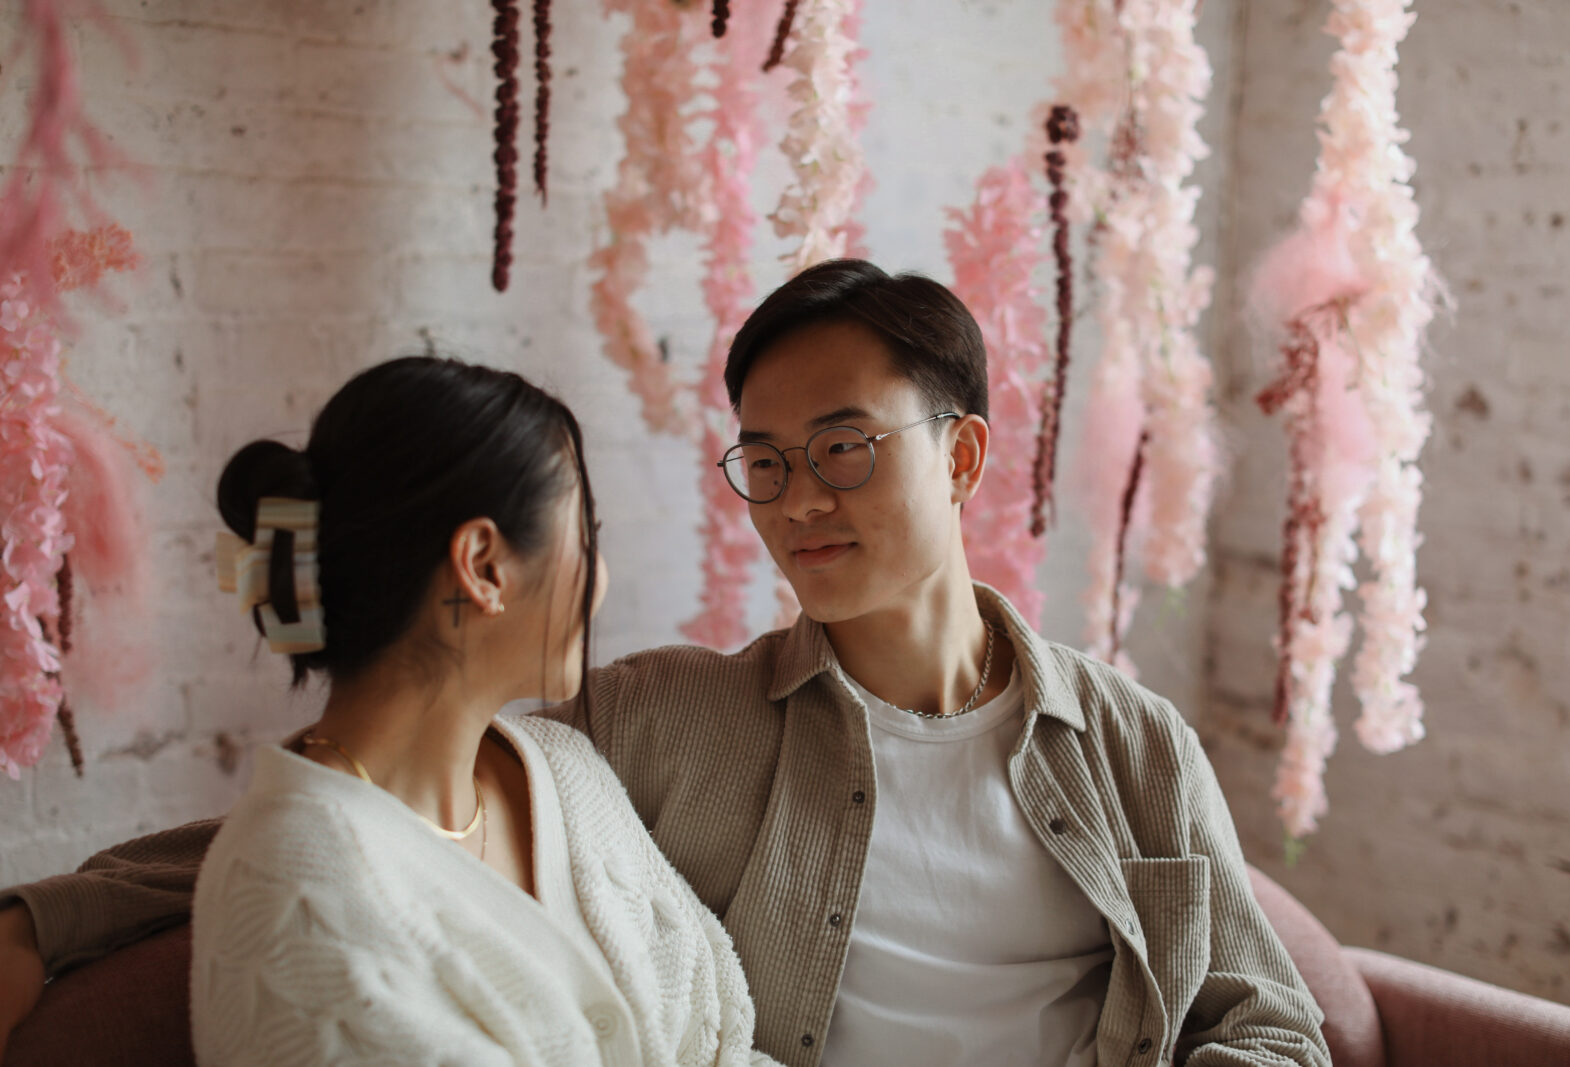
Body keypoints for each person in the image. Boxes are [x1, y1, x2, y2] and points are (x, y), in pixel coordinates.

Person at [0, 260, 1330, 1067]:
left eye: (846, 443)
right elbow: (386, 783)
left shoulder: (1131, 740)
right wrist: (55, 914)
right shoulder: (677, 715)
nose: (799, 494)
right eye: (764, 457)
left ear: (965, 453)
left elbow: (1268, 1018)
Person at [73, 356, 774, 1065]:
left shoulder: (567, 773)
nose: (602, 582)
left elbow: (728, 1041)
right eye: (586, 537)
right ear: (483, 565)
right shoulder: (300, 898)